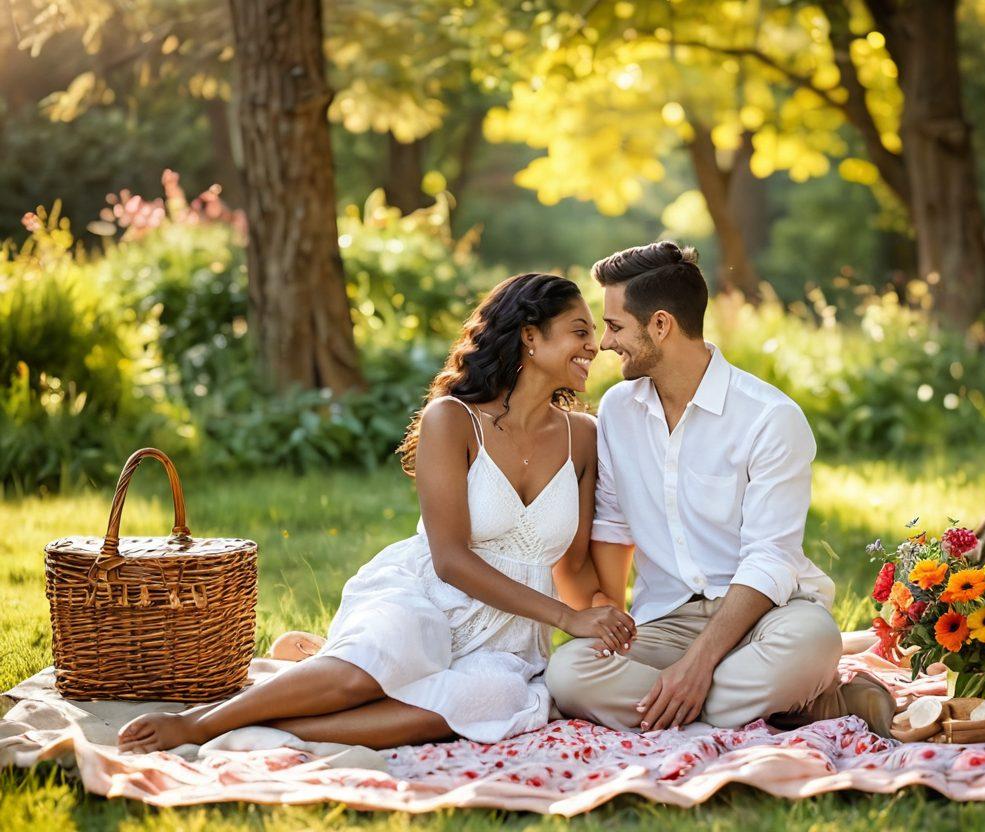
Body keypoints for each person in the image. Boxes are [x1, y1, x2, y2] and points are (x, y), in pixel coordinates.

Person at [117, 273, 634, 753]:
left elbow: (570, 565)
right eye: (579, 331)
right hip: (429, 597)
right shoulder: (451, 420)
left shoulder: (582, 437)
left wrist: (602, 613)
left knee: (490, 702)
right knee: (366, 673)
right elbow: (450, 560)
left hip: (511, 636)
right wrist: (568, 617)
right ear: (529, 336)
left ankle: (273, 722)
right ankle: (203, 723)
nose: (595, 345)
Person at [545, 242, 895, 736]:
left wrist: (699, 666)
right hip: (665, 622)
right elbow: (613, 525)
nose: (605, 343)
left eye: (615, 326)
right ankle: (802, 705)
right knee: (570, 672)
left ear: (661, 325)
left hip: (762, 616)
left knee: (814, 641)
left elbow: (770, 559)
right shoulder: (618, 411)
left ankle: (684, 703)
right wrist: (614, 620)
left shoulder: (769, 418)